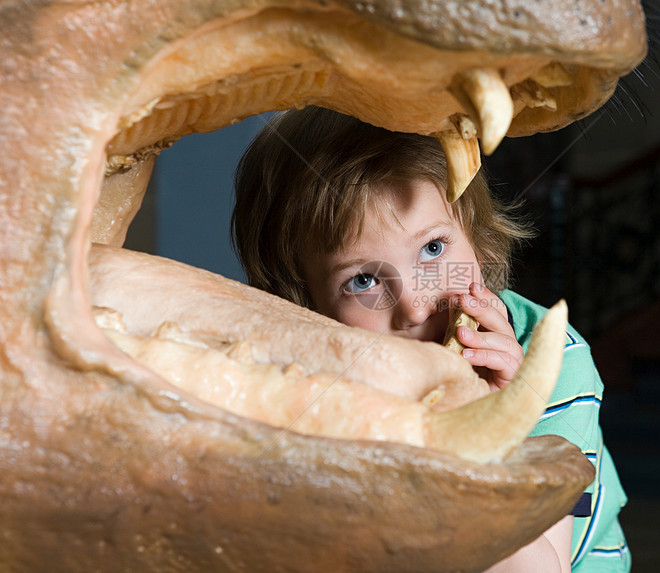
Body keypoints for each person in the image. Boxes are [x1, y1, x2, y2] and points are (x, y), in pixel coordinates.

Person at [232, 106, 630, 572]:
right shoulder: (317, 384)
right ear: (304, 307)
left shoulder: (553, 361)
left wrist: (497, 425)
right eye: (363, 280)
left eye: (433, 249)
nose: (417, 306)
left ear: (475, 238)